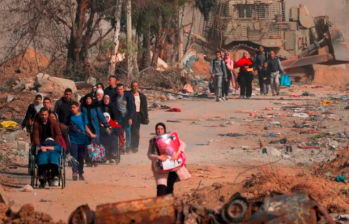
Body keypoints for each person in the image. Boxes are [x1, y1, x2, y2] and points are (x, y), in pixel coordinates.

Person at [147, 123, 191, 196]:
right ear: (155, 130)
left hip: (173, 166)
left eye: (161, 129)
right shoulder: (152, 141)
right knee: (161, 189)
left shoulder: (171, 137)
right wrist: (158, 157)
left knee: (169, 188)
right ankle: (160, 206)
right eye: (158, 129)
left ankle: (169, 205)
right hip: (160, 168)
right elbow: (149, 155)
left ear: (164, 130)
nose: (160, 131)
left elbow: (183, 144)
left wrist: (177, 154)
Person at [81, 93, 111, 166]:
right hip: (86, 128)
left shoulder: (96, 107)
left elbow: (101, 116)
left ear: (92, 99)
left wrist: (106, 125)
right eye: (87, 99)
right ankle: (88, 160)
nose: (88, 100)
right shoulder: (82, 108)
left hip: (95, 127)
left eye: (89, 99)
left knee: (95, 143)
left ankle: (95, 159)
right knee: (87, 144)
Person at [69, 102, 93, 180]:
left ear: (77, 107)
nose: (72, 109)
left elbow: (86, 127)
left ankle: (80, 173)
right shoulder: (70, 117)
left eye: (74, 107)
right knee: (74, 156)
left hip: (82, 140)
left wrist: (91, 134)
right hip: (73, 140)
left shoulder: (83, 116)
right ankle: (74, 172)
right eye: (71, 108)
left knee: (81, 157)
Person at [115, 84, 134, 154]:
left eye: (121, 89)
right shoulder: (116, 97)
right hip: (120, 116)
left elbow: (131, 107)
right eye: (118, 89)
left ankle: (128, 146)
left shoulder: (127, 96)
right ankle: (122, 146)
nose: (119, 91)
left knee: (128, 130)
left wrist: (130, 118)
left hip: (127, 115)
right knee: (120, 131)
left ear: (123, 89)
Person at [130, 81, 149, 153]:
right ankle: (130, 145)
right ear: (131, 87)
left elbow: (144, 107)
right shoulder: (128, 95)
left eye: (136, 86)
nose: (135, 87)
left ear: (138, 87)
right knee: (130, 130)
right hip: (130, 114)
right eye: (133, 86)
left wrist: (146, 116)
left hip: (138, 115)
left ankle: (135, 146)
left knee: (136, 130)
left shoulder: (141, 96)